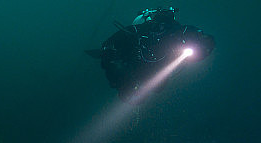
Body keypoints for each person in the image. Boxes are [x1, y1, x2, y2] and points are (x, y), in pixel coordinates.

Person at [87, 7, 215, 99]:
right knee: (115, 69)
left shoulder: (177, 41)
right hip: (136, 55)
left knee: (155, 86)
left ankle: (122, 77)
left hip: (147, 61)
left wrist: (204, 44)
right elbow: (130, 31)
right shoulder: (156, 29)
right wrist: (108, 49)